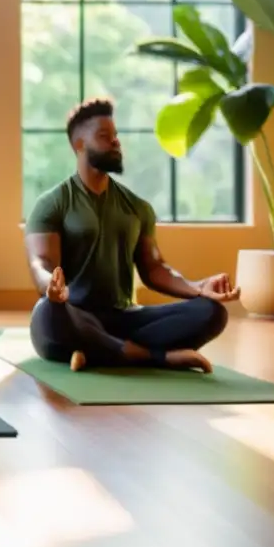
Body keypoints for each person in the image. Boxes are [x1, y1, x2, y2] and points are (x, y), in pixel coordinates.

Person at [23, 97, 237, 373]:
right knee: (45, 314)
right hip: (74, 314)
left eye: (115, 135)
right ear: (79, 145)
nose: (115, 142)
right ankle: (155, 357)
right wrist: (50, 285)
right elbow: (39, 261)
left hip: (126, 318)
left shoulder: (137, 207)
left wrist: (198, 288)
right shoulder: (52, 204)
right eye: (104, 136)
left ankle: (99, 351)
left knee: (212, 312)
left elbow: (155, 268)